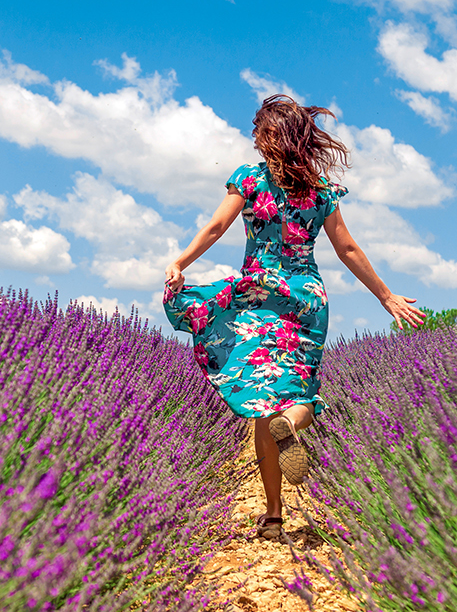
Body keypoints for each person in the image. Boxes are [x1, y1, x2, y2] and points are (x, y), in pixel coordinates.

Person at [163, 95, 427, 542]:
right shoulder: (321, 190)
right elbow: (347, 249)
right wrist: (385, 297)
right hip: (305, 295)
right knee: (298, 392)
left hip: (257, 295)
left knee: (261, 404)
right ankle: (297, 422)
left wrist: (181, 262)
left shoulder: (248, 179)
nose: (252, 139)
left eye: (258, 131)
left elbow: (216, 228)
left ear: (272, 136)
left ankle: (272, 516)